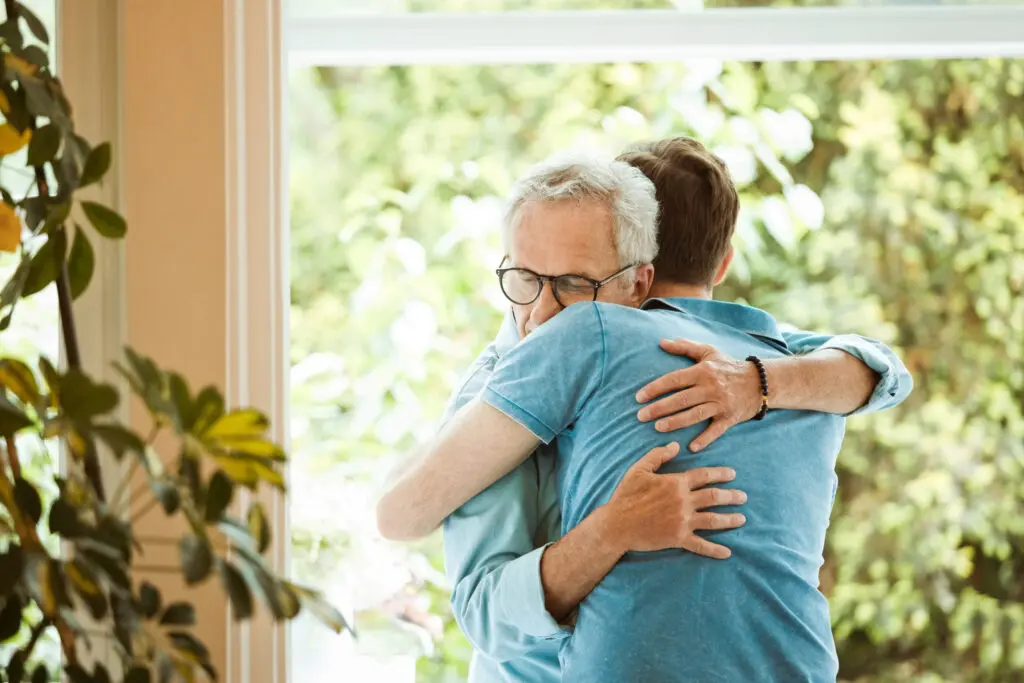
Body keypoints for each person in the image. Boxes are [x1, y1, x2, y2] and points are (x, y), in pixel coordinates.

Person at [378, 140, 912, 681]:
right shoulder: (526, 363)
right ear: (723, 263)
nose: (540, 315)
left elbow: (875, 368)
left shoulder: (753, 361)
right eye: (525, 278)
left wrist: (756, 384)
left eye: (574, 284)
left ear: (639, 278)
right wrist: (611, 531)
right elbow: (471, 599)